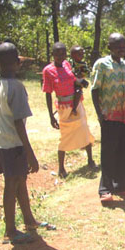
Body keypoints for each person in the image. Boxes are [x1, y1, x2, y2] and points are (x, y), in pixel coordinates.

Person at [0, 42, 54, 245]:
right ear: (18, 63)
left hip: (0, 141)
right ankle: (10, 231)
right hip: (13, 144)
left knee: (20, 181)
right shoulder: (16, 86)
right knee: (12, 183)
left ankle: (29, 220)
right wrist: (30, 154)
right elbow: (18, 123)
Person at [91, 33, 125, 203]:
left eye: (123, 46)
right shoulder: (102, 65)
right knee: (109, 153)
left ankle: (121, 186)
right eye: (117, 46)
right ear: (109, 47)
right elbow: (95, 90)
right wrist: (99, 114)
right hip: (109, 115)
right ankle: (105, 189)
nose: (121, 49)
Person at [42, 42, 95, 178]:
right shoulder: (48, 70)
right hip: (64, 107)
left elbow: (73, 80)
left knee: (84, 129)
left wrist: (80, 82)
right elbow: (48, 93)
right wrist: (51, 116)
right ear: (52, 55)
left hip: (77, 104)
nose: (60, 56)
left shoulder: (67, 65)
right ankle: (61, 168)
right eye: (57, 54)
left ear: (66, 55)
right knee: (65, 136)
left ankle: (90, 160)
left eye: (62, 54)